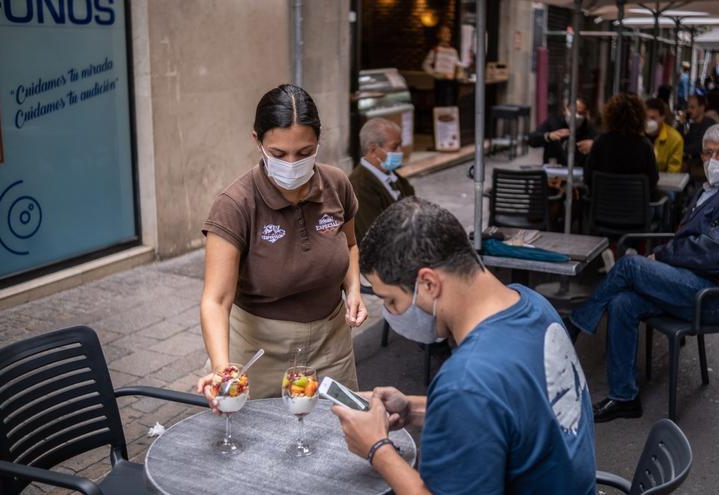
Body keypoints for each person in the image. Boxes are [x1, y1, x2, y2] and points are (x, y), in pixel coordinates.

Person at [331, 197, 596, 494]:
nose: (391, 313)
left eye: (391, 300)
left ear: (429, 283)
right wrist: (412, 409)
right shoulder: (533, 304)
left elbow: (473, 398)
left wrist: (376, 448)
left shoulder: (468, 381)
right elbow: (508, 413)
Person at [569, 123, 719, 422]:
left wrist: (661, 256)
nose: (713, 160)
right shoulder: (715, 191)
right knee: (622, 303)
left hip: (715, 297)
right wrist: (665, 260)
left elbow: (712, 251)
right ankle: (624, 397)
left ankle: (574, 326)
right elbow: (691, 243)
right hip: (692, 286)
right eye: (708, 153)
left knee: (629, 265)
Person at [197, 84, 367, 405]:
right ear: (257, 142)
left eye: (304, 153)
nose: (292, 164)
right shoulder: (235, 205)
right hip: (258, 354)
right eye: (278, 154)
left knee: (336, 438)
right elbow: (215, 301)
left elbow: (350, 245)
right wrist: (223, 370)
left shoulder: (337, 185)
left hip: (331, 347)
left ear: (318, 142)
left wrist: (353, 288)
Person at [349, 118, 415, 244]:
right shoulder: (359, 186)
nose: (400, 151)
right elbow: (374, 236)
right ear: (373, 150)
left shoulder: (395, 178)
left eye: (400, 145)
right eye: (395, 147)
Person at [584, 93, 657, 192]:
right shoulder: (645, 145)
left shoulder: (600, 142)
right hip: (634, 205)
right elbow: (652, 181)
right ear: (641, 117)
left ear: (609, 116)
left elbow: (587, 177)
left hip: (603, 205)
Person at [527, 97, 596, 167]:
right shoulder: (553, 122)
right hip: (554, 172)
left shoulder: (589, 129)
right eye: (573, 111)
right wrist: (548, 136)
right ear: (565, 110)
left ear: (585, 115)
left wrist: (594, 146)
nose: (576, 116)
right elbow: (531, 139)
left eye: (580, 113)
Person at [422, 25, 461, 107]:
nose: (447, 35)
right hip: (441, 82)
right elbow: (425, 65)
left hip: (452, 83)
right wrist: (436, 74)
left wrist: (458, 75)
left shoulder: (453, 51)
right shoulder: (436, 50)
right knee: (440, 106)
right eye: (444, 33)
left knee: (452, 106)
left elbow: (458, 65)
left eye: (448, 32)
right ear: (439, 35)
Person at [682, 95, 717, 183]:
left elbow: (699, 147)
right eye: (688, 107)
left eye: (692, 107)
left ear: (702, 108)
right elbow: (678, 140)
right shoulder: (690, 125)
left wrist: (681, 149)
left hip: (703, 167)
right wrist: (682, 124)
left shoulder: (708, 124)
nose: (689, 110)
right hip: (690, 164)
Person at [645, 98, 684, 173]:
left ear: (662, 117)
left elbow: (673, 172)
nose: (648, 122)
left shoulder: (675, 139)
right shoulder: (635, 135)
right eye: (645, 118)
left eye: (652, 118)